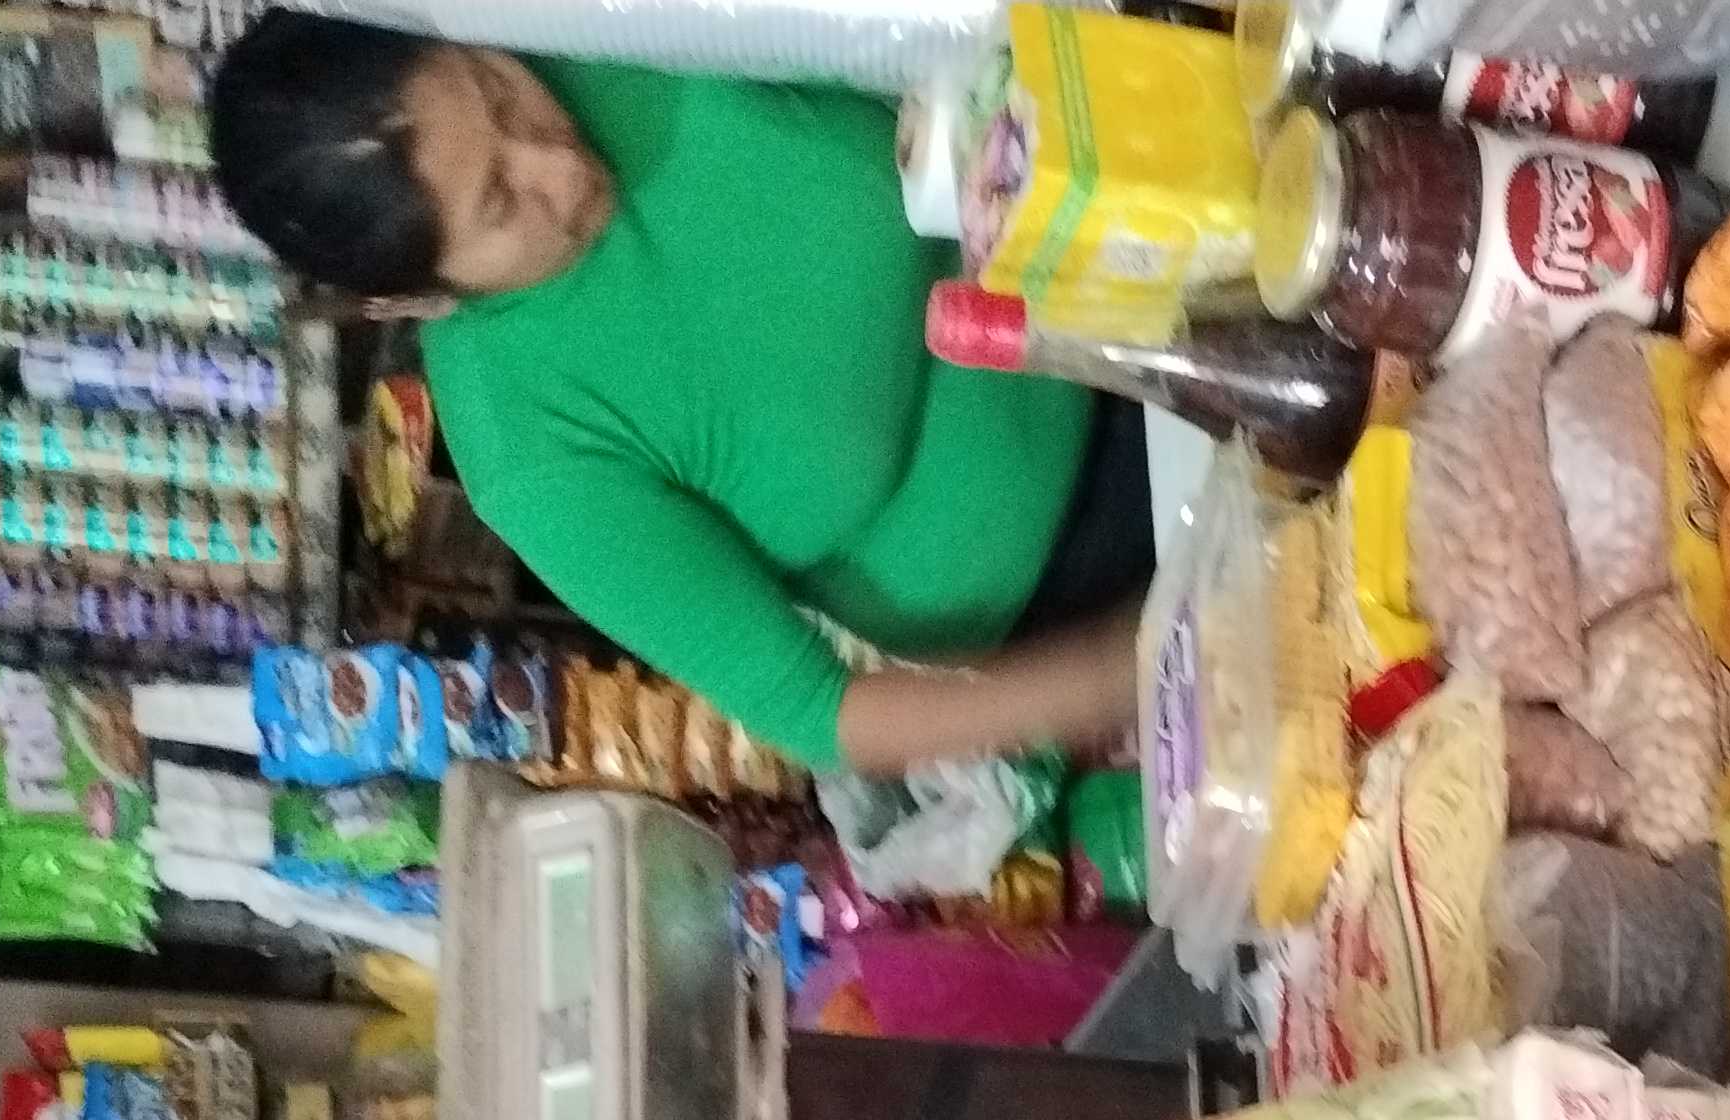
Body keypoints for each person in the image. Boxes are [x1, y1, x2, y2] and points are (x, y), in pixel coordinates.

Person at [206, 19, 1151, 780]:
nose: (558, 164)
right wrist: (1120, 669)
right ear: (417, 298)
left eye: (498, 92)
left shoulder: (599, 30)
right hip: (1091, 560)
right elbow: (822, 715)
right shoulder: (534, 451)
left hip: (1121, 235)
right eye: (500, 202)